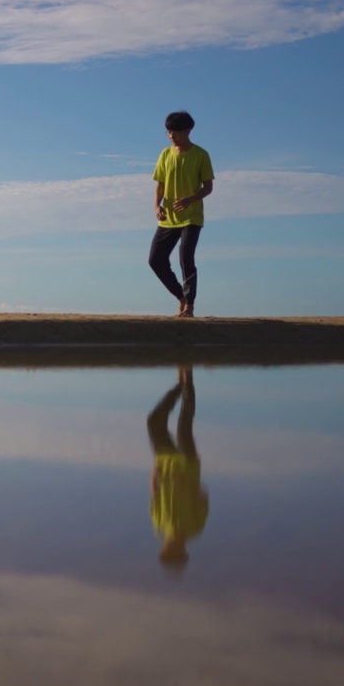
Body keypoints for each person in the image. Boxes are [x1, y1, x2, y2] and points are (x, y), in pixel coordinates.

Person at [150, 110, 214, 318]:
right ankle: (181, 296)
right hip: (168, 218)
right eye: (168, 132)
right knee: (156, 260)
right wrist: (156, 206)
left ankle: (189, 307)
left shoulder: (200, 155)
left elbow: (208, 187)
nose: (171, 136)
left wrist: (190, 199)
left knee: (185, 258)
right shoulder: (165, 154)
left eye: (175, 132)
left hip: (191, 217)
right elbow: (160, 184)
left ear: (187, 130)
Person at [148, 365, 209, 575]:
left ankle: (179, 385)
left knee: (154, 421)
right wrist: (188, 485)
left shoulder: (158, 526)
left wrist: (154, 476)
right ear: (182, 550)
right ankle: (187, 379)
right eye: (174, 550)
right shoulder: (194, 528)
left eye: (167, 550)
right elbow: (204, 497)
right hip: (187, 465)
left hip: (164, 464)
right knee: (184, 424)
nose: (170, 546)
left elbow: (154, 497)